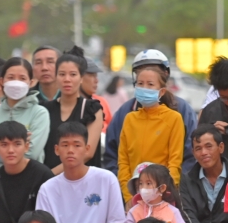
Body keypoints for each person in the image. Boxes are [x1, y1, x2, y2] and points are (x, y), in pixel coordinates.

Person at [105, 49, 196, 176]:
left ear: (165, 76)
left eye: (153, 72)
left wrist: (172, 188)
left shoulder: (182, 110)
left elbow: (190, 154)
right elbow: (113, 155)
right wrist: (125, 188)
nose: (147, 75)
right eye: (140, 74)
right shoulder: (125, 113)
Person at [0, 56, 49, 173]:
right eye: (11, 77)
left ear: (31, 83)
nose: (16, 83)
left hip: (27, 182)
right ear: (2, 81)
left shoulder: (39, 113)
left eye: (22, 78)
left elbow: (31, 153)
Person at [117, 60, 185, 198]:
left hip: (162, 195)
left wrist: (165, 193)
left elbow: (175, 162)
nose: (144, 88)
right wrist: (128, 196)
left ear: (161, 92)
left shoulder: (173, 118)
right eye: (140, 84)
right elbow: (123, 162)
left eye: (150, 84)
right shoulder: (130, 119)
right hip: (135, 195)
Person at [42, 47, 104, 172]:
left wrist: (50, 175)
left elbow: (88, 153)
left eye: (73, 74)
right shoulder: (44, 110)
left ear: (81, 78)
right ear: (56, 77)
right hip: (51, 187)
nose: (67, 79)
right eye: (62, 74)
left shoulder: (92, 109)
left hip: (83, 181)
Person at [82, 58, 112, 133]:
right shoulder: (67, 103)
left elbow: (111, 129)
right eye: (92, 76)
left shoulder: (101, 102)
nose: (96, 80)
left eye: (96, 76)